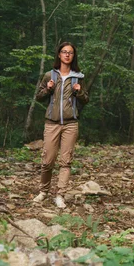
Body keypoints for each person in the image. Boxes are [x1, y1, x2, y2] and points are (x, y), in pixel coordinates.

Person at [34, 42, 89, 208]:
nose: (67, 55)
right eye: (64, 52)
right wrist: (48, 89)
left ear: (73, 56)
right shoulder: (49, 75)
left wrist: (79, 91)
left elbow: (86, 99)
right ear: (59, 54)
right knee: (47, 160)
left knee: (66, 161)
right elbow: (39, 97)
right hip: (51, 123)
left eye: (70, 53)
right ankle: (43, 192)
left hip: (71, 124)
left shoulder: (78, 76)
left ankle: (60, 195)